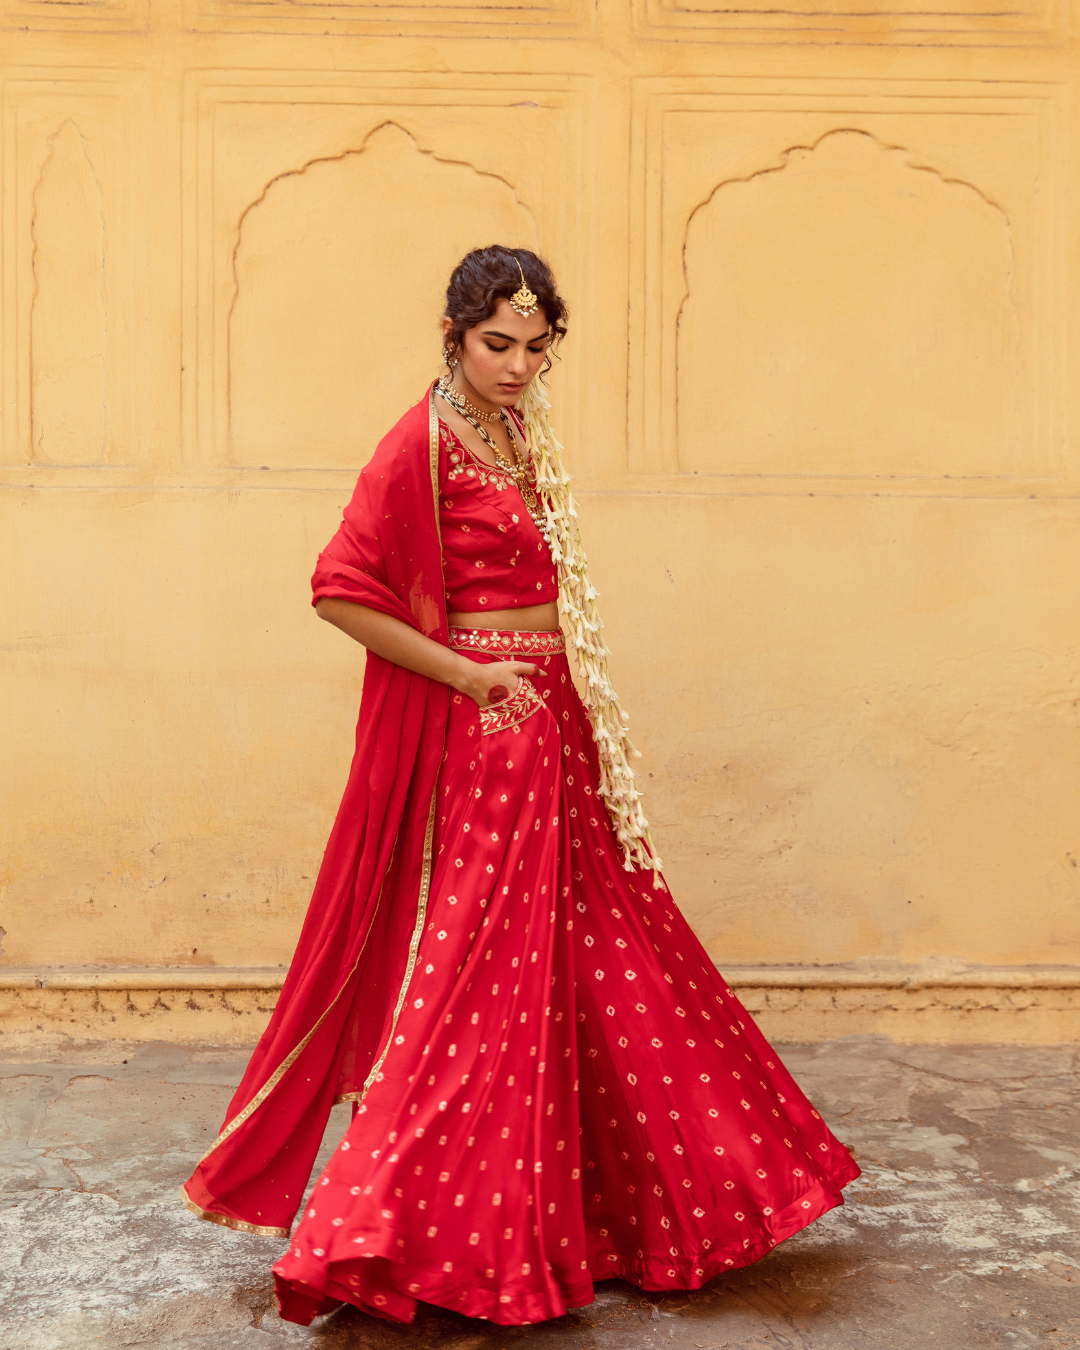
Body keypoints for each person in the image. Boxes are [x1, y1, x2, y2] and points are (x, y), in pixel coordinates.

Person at [182, 245, 859, 1327]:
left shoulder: (517, 429)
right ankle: (392, 1234)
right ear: (451, 335)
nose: (519, 365)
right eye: (499, 343)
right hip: (489, 736)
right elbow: (339, 590)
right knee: (478, 986)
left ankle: (631, 1214)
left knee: (603, 958)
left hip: (558, 729)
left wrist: (555, 694)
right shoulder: (420, 444)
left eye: (539, 347)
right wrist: (469, 674)